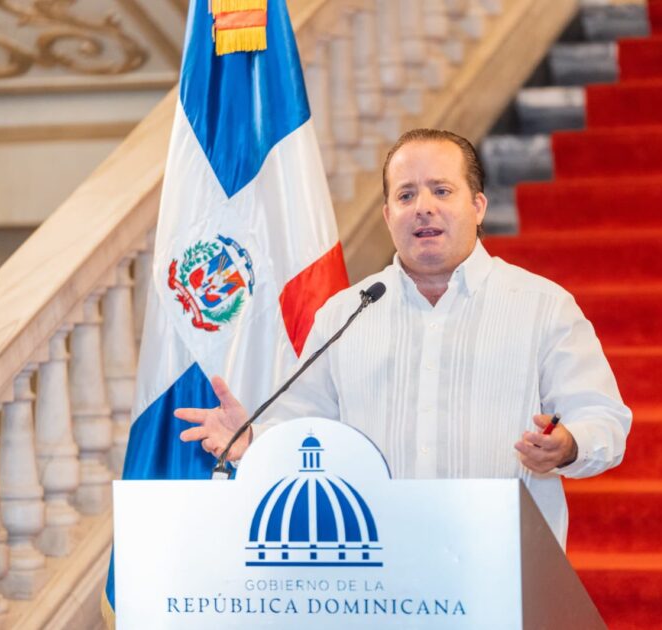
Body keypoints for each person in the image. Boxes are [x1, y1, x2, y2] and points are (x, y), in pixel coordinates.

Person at [175, 128, 631, 546]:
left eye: (442, 190)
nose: (423, 207)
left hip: (504, 559)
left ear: (478, 206)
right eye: (406, 194)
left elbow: (604, 420)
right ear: (388, 214)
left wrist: (567, 445)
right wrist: (254, 442)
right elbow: (306, 430)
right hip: (379, 570)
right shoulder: (344, 315)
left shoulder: (542, 306)